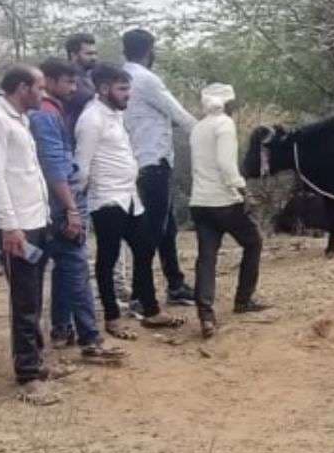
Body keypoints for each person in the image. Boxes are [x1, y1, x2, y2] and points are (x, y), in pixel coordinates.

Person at [75, 64, 183, 337]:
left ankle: (151, 310)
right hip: (107, 200)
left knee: (145, 249)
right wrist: (76, 206)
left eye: (128, 88)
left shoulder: (114, 115)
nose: (128, 95)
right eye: (122, 89)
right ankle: (112, 318)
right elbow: (81, 167)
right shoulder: (91, 119)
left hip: (130, 197)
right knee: (108, 258)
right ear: (103, 89)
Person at [31, 58, 125, 364]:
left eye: (75, 82)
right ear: (48, 81)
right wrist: (71, 208)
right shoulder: (45, 115)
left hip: (55, 204)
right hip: (62, 204)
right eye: (68, 82)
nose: (74, 88)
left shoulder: (51, 112)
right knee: (76, 268)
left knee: (64, 268)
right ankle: (90, 339)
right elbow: (54, 166)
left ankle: (62, 330)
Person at [0, 65, 58, 398]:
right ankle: (28, 374)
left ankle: (37, 361)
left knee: (34, 295)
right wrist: (9, 226)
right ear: (21, 88)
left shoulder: (21, 119)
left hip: (36, 219)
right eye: (39, 88)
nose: (44, 94)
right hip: (19, 226)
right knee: (25, 300)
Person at [121, 28, 197, 308]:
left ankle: (175, 283)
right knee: (152, 230)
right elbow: (179, 114)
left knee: (167, 228)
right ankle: (142, 295)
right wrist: (208, 131)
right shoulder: (146, 79)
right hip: (153, 162)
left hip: (139, 161)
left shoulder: (124, 77)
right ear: (149, 50)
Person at [189, 83, 268, 339]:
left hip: (199, 201)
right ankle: (243, 299)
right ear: (227, 104)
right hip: (223, 201)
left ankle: (206, 315)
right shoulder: (224, 124)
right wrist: (243, 190)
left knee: (207, 257)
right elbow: (225, 164)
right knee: (253, 242)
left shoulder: (198, 128)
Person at [64, 32, 98, 129]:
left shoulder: (89, 76)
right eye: (89, 54)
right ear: (74, 55)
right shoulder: (69, 81)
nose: (94, 58)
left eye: (95, 53)